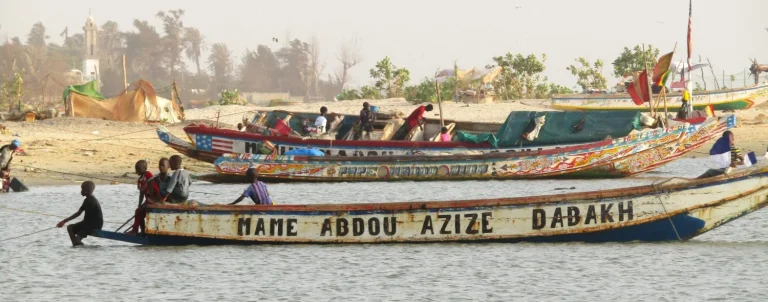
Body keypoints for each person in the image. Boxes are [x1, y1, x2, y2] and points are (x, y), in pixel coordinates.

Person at [56, 181, 103, 246]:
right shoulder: (87, 200)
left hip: (94, 225)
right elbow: (78, 213)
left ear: (86, 191)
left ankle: (78, 245)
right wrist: (64, 221)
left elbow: (86, 218)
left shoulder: (91, 201)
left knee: (77, 239)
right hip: (87, 223)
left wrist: (64, 221)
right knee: (70, 227)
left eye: (82, 189)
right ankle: (76, 244)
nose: (81, 191)